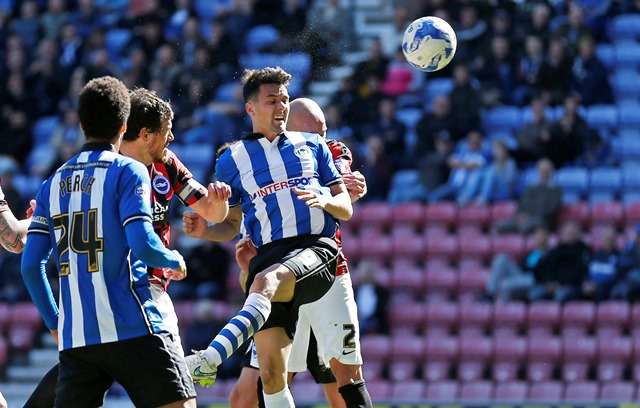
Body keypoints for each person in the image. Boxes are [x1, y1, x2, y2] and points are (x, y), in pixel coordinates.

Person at [24, 87, 231, 407]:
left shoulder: (52, 183)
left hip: (80, 327)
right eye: (166, 130)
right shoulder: (128, 171)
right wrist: (172, 259)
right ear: (125, 126)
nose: (172, 137)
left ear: (81, 124)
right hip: (137, 309)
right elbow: (142, 243)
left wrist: (55, 324)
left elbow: (30, 266)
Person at [185, 68, 370, 408]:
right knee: (269, 378)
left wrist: (329, 199)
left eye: (285, 100)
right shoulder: (232, 160)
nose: (281, 107)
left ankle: (210, 357)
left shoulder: (315, 146)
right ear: (250, 107)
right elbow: (231, 223)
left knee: (342, 380)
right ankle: (209, 359)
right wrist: (205, 230)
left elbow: (345, 203)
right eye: (273, 100)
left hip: (318, 254)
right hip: (270, 257)